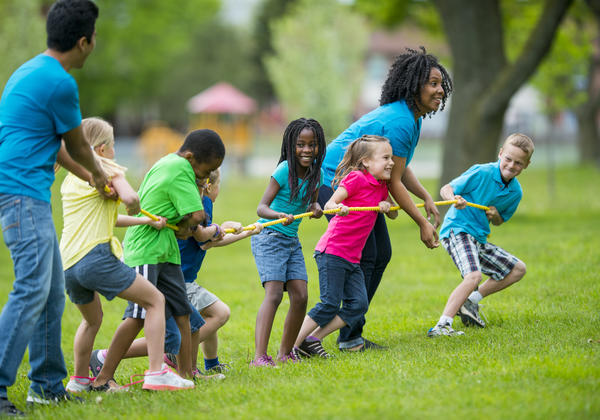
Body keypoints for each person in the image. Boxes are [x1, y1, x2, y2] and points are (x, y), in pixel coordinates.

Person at [0, 0, 111, 413]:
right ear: (83, 42)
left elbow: (58, 144)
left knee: (50, 294)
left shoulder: (29, 71)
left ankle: (46, 384)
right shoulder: (61, 83)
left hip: (22, 192)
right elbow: (80, 144)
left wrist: (88, 176)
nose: (94, 44)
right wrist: (100, 175)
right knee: (31, 290)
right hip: (22, 194)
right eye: (94, 37)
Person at [318, 47, 453, 351]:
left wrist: (425, 197)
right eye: (432, 83)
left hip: (361, 185)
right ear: (413, 85)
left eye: (440, 83)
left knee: (380, 254)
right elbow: (393, 183)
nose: (439, 89)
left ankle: (350, 330)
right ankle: (346, 335)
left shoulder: (411, 119)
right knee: (365, 256)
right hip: (335, 183)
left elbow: (398, 168)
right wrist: (421, 222)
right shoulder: (401, 121)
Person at [60, 117, 199, 392]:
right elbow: (132, 199)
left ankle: (78, 381)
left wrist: (145, 221)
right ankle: (157, 372)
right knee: (156, 300)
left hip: (68, 264)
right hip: (95, 257)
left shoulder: (71, 178)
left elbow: (111, 219)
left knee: (92, 320)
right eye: (112, 146)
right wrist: (131, 202)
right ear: (100, 149)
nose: (114, 152)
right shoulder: (105, 166)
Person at [90, 129, 224, 389]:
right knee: (138, 316)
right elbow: (197, 216)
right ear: (190, 157)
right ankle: (102, 377)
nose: (207, 178)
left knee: (183, 313)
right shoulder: (178, 167)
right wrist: (193, 224)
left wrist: (187, 226)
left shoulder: (172, 163)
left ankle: (187, 375)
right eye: (207, 170)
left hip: (167, 250)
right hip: (147, 250)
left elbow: (189, 221)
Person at [295, 135, 398, 358]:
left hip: (352, 257)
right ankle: (293, 346)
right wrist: (336, 207)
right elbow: (331, 202)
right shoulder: (356, 178)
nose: (391, 162)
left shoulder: (381, 186)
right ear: (366, 161)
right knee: (329, 303)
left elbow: (394, 213)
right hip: (332, 252)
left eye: (391, 157)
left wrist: (387, 206)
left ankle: (312, 340)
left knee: (358, 304)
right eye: (386, 157)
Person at [427, 133, 534, 337]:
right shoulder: (482, 172)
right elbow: (446, 188)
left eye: (518, 163)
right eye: (508, 159)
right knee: (474, 276)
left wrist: (495, 216)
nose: (511, 165)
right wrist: (454, 198)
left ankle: (471, 301)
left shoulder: (515, 192)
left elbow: (500, 220)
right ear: (500, 153)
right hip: (457, 230)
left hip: (478, 238)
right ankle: (442, 326)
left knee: (518, 269)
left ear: (526, 165)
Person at [250, 118, 326, 366]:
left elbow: (312, 202)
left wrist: (316, 208)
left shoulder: (318, 172)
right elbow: (262, 207)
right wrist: (278, 215)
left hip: (291, 240)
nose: (306, 150)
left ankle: (285, 353)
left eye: (312, 145)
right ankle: (260, 357)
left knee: (301, 295)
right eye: (301, 144)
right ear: (291, 146)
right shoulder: (284, 170)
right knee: (273, 295)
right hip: (271, 237)